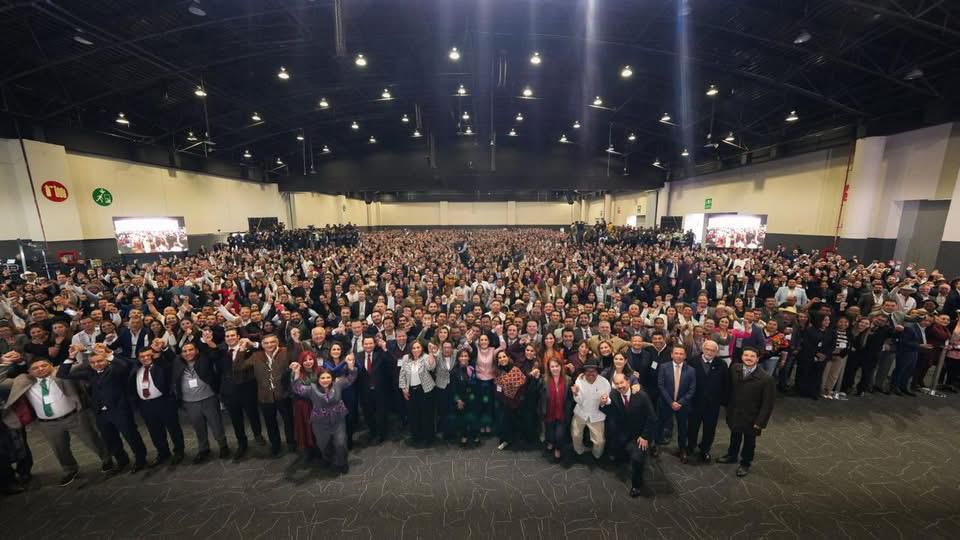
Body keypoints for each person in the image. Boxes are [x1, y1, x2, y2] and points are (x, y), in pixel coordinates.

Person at [0, 357, 113, 486]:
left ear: (51, 365)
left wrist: (75, 356)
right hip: (47, 423)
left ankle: (106, 459)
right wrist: (4, 362)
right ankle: (70, 469)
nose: (40, 369)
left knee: (92, 439)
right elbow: (1, 382)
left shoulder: (61, 372)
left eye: (44, 365)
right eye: (35, 368)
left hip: (74, 417)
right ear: (29, 372)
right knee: (59, 448)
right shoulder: (23, 380)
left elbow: (84, 365)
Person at [58, 346, 148, 473]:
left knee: (131, 436)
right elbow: (62, 374)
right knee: (110, 439)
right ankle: (122, 461)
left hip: (120, 410)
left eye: (100, 361)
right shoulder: (89, 373)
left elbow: (125, 366)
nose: (96, 364)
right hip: (100, 413)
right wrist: (71, 357)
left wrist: (108, 354)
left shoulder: (116, 370)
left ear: (106, 360)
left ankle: (141, 460)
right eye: (93, 362)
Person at [289, 355, 356, 474]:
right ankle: (328, 460)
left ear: (332, 378)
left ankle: (341, 463)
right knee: (323, 445)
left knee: (340, 444)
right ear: (318, 379)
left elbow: (350, 378)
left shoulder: (338, 384)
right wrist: (297, 373)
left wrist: (351, 367)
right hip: (320, 422)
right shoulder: (312, 389)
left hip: (338, 420)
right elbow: (297, 388)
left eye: (328, 377)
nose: (325, 380)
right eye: (323, 378)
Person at [717, 347, 775, 477]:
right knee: (735, 435)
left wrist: (760, 422)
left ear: (757, 359)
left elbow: (768, 404)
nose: (749, 358)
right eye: (746, 355)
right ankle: (732, 455)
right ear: (742, 356)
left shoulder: (766, 379)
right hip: (735, 412)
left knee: (749, 442)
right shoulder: (734, 368)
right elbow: (729, 388)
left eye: (752, 356)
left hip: (752, 416)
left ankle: (745, 463)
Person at [172, 342, 230, 463]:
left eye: (191, 350)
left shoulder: (204, 359)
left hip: (208, 398)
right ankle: (204, 449)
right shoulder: (177, 362)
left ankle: (223, 446)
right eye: (185, 351)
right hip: (189, 402)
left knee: (216, 425)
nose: (188, 353)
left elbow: (215, 354)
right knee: (198, 427)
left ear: (197, 351)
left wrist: (209, 342)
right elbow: (166, 357)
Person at [130, 344, 185, 466]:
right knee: (154, 431)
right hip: (146, 405)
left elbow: (172, 359)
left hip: (164, 402)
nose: (145, 358)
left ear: (153, 356)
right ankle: (163, 453)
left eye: (148, 355)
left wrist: (162, 349)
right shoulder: (136, 368)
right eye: (142, 356)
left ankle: (179, 452)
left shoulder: (161, 366)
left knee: (173, 428)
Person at [605, 372, 656, 498]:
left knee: (637, 459)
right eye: (617, 384)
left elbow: (652, 417)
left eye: (622, 382)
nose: (620, 386)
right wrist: (603, 404)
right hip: (622, 434)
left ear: (628, 382)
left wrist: (645, 436)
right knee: (618, 455)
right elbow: (610, 411)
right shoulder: (614, 394)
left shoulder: (641, 395)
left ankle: (636, 486)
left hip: (639, 436)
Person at [686, 340, 729, 463]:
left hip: (712, 404)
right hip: (695, 402)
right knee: (692, 427)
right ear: (702, 349)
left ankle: (705, 450)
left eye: (712, 350)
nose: (709, 352)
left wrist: (722, 401)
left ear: (716, 352)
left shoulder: (722, 364)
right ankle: (690, 447)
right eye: (707, 349)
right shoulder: (692, 361)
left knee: (709, 429)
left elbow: (726, 384)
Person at [656, 345, 696, 463]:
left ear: (685, 356)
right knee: (660, 425)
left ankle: (682, 449)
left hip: (682, 405)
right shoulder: (664, 367)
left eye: (681, 354)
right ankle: (656, 445)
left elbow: (692, 389)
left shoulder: (691, 370)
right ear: (672, 355)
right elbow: (661, 386)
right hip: (666, 403)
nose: (678, 356)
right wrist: (670, 402)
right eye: (676, 353)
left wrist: (680, 402)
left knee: (682, 428)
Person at [399, 340, 438, 447]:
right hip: (411, 391)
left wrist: (431, 353)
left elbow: (431, 367)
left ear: (422, 348)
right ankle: (416, 437)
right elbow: (402, 374)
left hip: (425, 390)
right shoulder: (406, 358)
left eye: (418, 347)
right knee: (413, 415)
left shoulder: (426, 357)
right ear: (410, 349)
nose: (416, 350)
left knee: (426, 415)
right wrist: (403, 389)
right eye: (414, 348)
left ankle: (428, 438)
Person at [570, 359, 610, 461]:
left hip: (597, 415)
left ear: (597, 371)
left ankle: (596, 455)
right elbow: (579, 401)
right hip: (581, 413)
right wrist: (575, 393)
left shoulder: (604, 382)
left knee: (600, 441)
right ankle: (579, 451)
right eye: (588, 371)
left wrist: (605, 401)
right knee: (575, 435)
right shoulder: (579, 380)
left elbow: (608, 399)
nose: (590, 373)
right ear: (584, 372)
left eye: (593, 371)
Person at [357, 335, 391, 444]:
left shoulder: (380, 354)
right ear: (362, 345)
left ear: (374, 344)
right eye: (366, 344)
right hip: (364, 392)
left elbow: (390, 363)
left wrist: (384, 348)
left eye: (370, 343)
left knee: (381, 414)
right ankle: (373, 433)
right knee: (368, 414)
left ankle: (382, 435)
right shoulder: (358, 356)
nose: (368, 346)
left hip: (380, 391)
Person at [538, 357, 572, 461]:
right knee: (550, 433)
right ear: (549, 368)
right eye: (552, 366)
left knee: (559, 435)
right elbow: (538, 395)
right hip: (548, 412)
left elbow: (570, 398)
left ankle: (557, 448)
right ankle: (551, 442)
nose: (555, 368)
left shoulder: (568, 380)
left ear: (561, 367)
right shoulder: (544, 380)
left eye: (557, 366)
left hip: (562, 413)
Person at [493, 350, 527, 450]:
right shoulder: (498, 372)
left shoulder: (515, 369)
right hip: (504, 401)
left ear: (508, 357)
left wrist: (517, 395)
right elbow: (497, 388)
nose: (502, 359)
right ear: (497, 361)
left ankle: (517, 441)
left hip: (517, 400)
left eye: (504, 356)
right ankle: (505, 440)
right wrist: (503, 396)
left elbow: (523, 383)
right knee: (505, 421)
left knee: (517, 421)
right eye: (499, 358)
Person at [290, 351, 320, 460]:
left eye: (310, 359)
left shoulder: (319, 370)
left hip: (317, 404)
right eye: (305, 360)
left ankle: (319, 448)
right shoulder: (296, 372)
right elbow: (296, 389)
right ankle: (308, 450)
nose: (308, 362)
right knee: (305, 427)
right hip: (303, 405)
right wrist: (296, 373)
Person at [448, 349, 480, 446]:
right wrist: (458, 400)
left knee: (473, 418)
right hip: (460, 399)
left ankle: (474, 435)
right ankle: (464, 436)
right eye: (461, 356)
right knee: (462, 419)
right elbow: (452, 388)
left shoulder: (472, 369)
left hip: (472, 397)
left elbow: (475, 385)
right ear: (458, 358)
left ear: (469, 358)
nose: (463, 358)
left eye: (465, 356)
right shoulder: (454, 371)